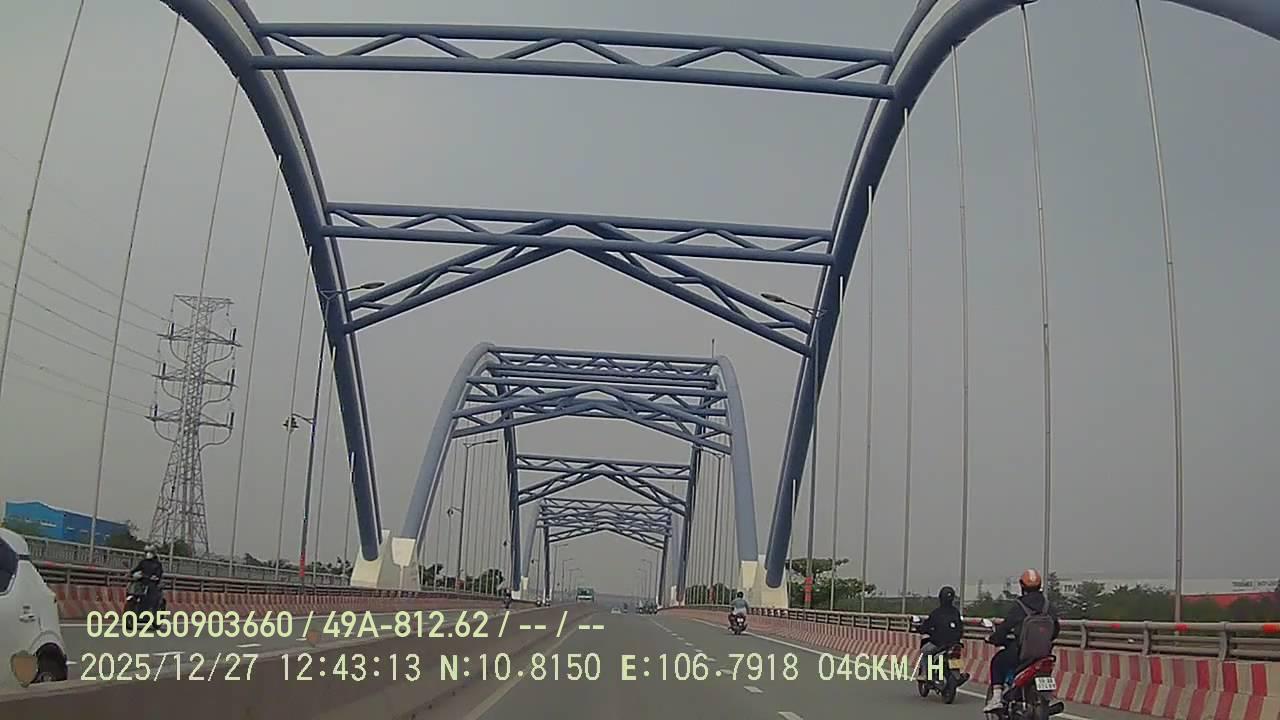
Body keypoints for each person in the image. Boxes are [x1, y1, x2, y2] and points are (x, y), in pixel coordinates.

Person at [983, 568, 1060, 712]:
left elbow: (1005, 627)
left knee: (997, 661)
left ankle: (996, 698)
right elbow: (1055, 629)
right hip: (1044, 653)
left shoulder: (1019, 606)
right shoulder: (1048, 606)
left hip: (1021, 654)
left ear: (1022, 585)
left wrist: (995, 638)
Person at [915, 585, 964, 681]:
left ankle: (924, 674)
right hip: (954, 643)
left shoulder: (937, 613)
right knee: (955, 656)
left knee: (924, 652)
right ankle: (957, 675)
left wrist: (921, 629)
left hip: (938, 643)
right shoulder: (956, 612)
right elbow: (960, 627)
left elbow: (927, 626)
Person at [131, 544, 165, 612]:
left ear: (154, 553)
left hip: (152, 582)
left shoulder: (157, 564)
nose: (148, 554)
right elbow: (136, 569)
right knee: (134, 586)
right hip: (142, 581)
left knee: (151, 593)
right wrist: (131, 573)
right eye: (146, 552)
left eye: (150, 552)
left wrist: (155, 577)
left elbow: (159, 573)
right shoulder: (143, 562)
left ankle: (151, 609)